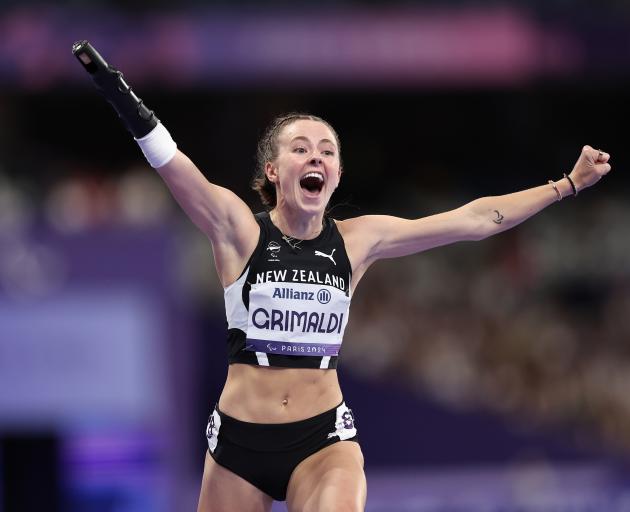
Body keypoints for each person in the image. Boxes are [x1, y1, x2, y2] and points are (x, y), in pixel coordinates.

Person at [72, 41, 612, 512]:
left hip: (322, 439)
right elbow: (174, 167)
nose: (316, 156)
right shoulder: (239, 230)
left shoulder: (359, 240)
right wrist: (118, 92)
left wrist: (564, 184)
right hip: (239, 444)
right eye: (300, 148)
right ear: (274, 172)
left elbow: (472, 220)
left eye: (327, 151)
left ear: (335, 175)